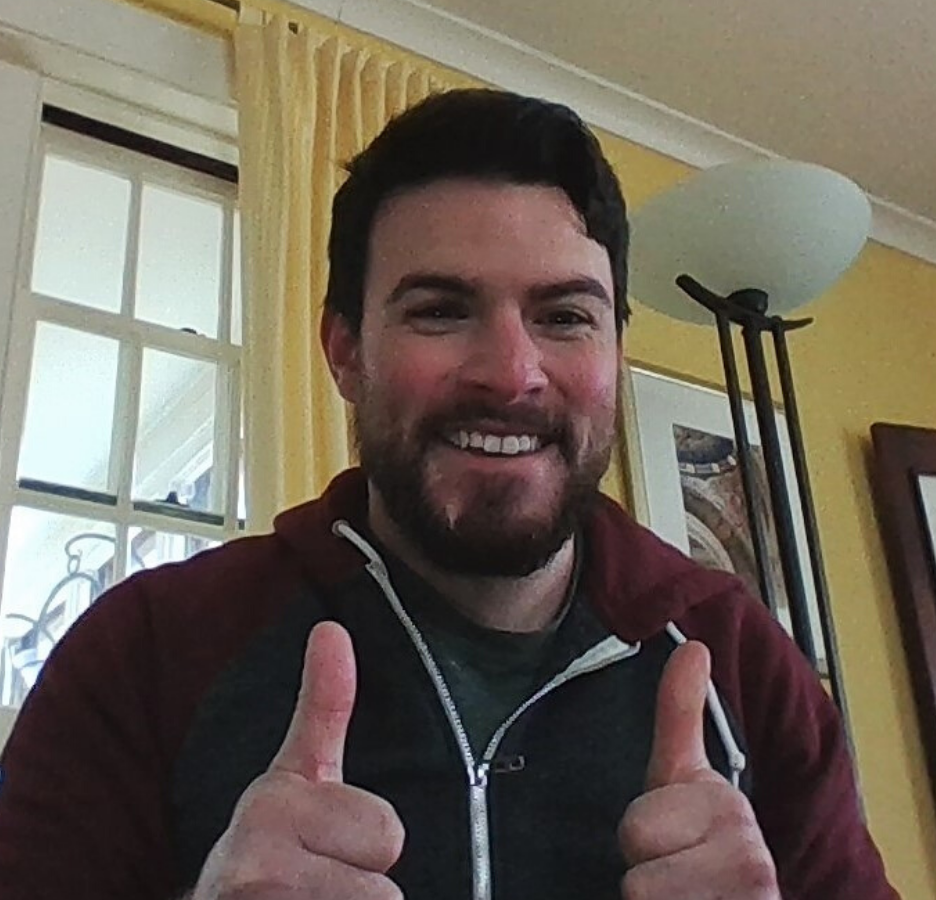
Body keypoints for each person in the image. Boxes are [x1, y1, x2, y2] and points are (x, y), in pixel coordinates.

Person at [0, 89, 897, 900]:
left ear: (614, 352)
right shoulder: (146, 652)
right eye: (440, 309)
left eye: (564, 317)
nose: (512, 375)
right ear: (346, 351)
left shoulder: (745, 662)